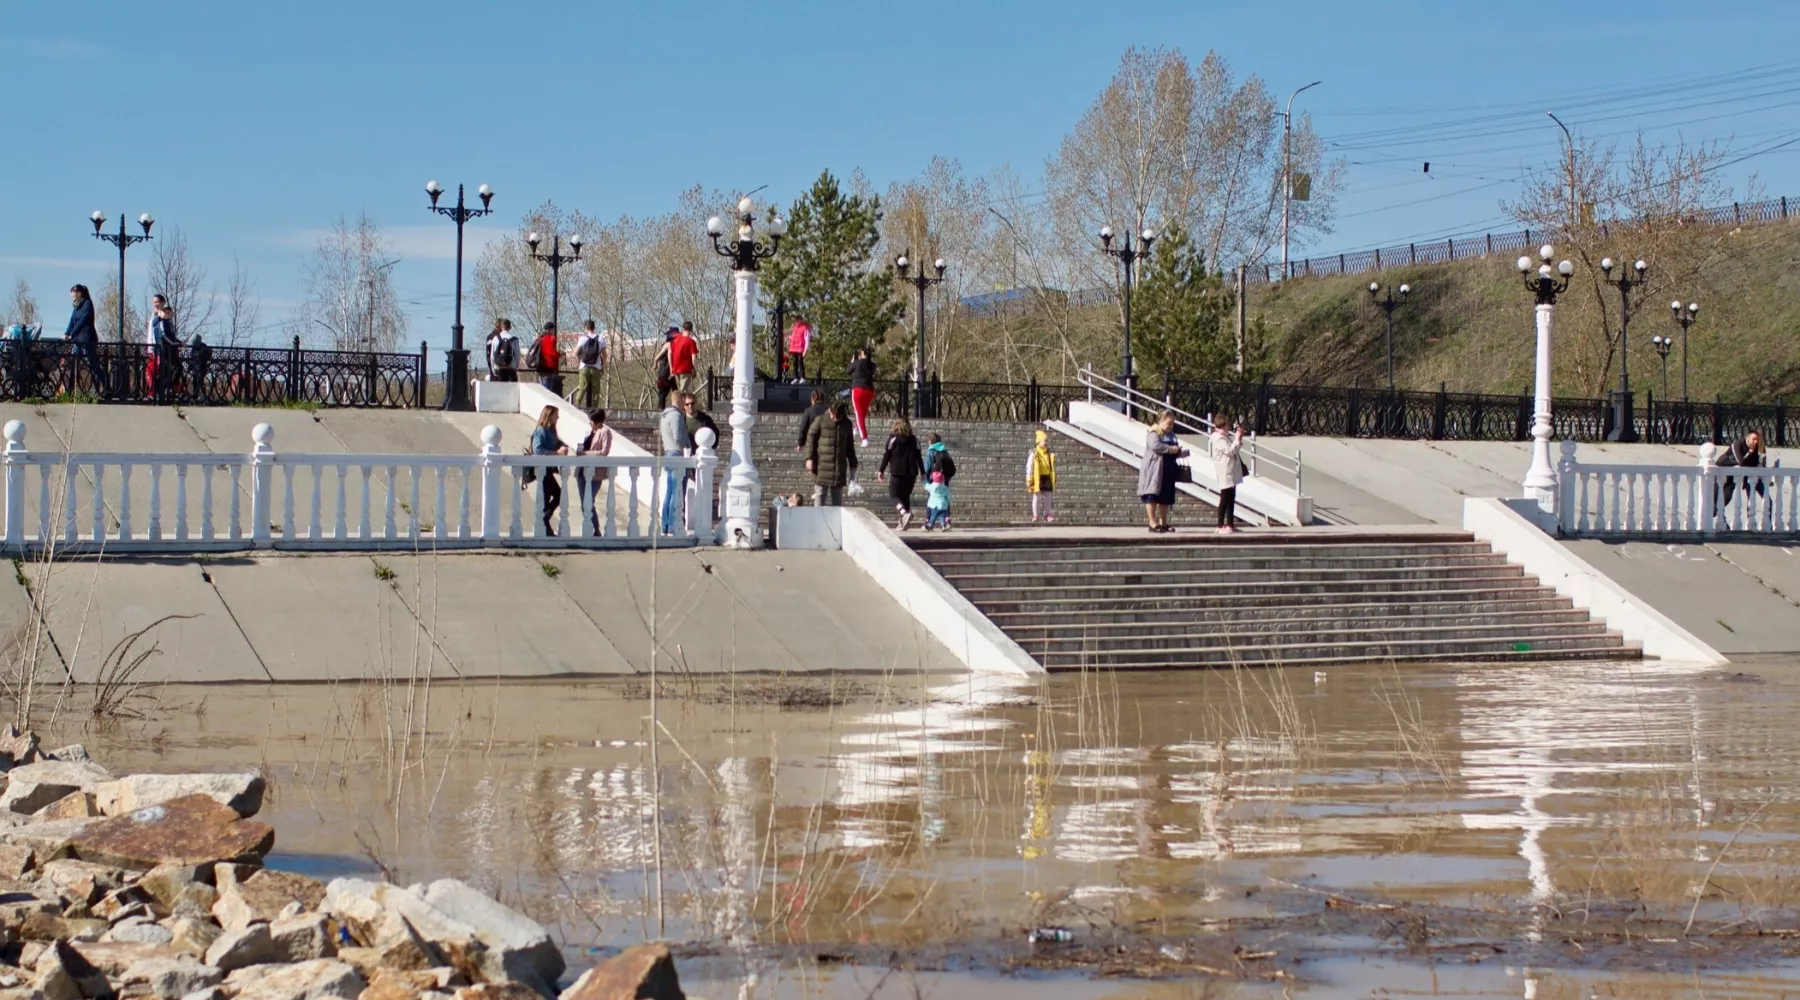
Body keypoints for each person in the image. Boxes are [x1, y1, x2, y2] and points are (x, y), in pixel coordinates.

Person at [1138, 409, 1188, 533]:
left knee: (1165, 498)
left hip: (1168, 470)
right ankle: (1152, 523)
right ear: (1161, 420)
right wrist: (1172, 449)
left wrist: (1180, 452)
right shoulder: (1154, 432)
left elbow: (1172, 449)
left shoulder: (1171, 435)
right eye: (1169, 422)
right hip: (1154, 470)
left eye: (1172, 423)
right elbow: (1156, 446)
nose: (1171, 426)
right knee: (1152, 496)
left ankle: (1163, 523)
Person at [804, 399, 858, 507]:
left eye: (838, 417)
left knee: (837, 501)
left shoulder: (847, 424)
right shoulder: (820, 420)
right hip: (822, 466)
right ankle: (817, 521)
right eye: (834, 416)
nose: (835, 419)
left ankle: (836, 522)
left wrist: (853, 464)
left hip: (839, 468)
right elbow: (810, 438)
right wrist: (809, 458)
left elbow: (850, 447)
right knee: (820, 495)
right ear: (830, 411)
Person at [529, 404, 569, 536]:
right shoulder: (541, 430)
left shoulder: (551, 431)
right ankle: (543, 520)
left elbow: (555, 444)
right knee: (558, 494)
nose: (558, 417)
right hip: (542, 470)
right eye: (556, 414)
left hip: (548, 470)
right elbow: (538, 450)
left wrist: (562, 446)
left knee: (546, 499)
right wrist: (557, 453)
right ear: (549, 415)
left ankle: (545, 528)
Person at [879, 418, 923, 531]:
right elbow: (919, 457)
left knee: (894, 495)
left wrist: (881, 470)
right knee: (905, 496)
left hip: (897, 472)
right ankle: (903, 522)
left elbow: (887, 455)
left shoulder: (893, 439)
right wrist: (923, 472)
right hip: (912, 473)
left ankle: (904, 513)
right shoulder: (914, 440)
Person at [64, 284, 107, 398]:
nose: (71, 295)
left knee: (93, 365)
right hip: (78, 341)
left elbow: (82, 321)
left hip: (87, 340)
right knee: (74, 364)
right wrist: (67, 333)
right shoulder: (76, 306)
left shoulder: (87, 304)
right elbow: (72, 321)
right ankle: (69, 391)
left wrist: (72, 334)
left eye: (73, 292)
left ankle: (105, 387)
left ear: (79, 293)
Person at [657, 390, 691, 534]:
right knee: (676, 491)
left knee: (669, 491)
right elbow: (677, 437)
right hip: (676, 453)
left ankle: (665, 524)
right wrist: (688, 442)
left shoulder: (664, 416)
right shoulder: (676, 416)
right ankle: (671, 524)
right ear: (680, 400)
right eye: (685, 401)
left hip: (667, 453)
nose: (686, 405)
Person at [575, 408, 613, 536]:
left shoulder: (605, 432)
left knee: (588, 500)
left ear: (598, 421)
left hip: (596, 473)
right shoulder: (589, 432)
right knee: (584, 502)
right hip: (582, 470)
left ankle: (595, 529)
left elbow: (604, 452)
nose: (590, 424)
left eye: (592, 422)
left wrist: (586, 453)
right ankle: (592, 527)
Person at [1717, 428, 1768, 511]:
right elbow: (1741, 462)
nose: (1756, 441)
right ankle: (1714, 515)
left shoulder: (1759, 448)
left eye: (1758, 439)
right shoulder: (1737, 444)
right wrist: (1750, 453)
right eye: (1754, 439)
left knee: (1727, 497)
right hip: (1722, 471)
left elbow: (1757, 463)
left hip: (1748, 476)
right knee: (1721, 497)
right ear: (1748, 438)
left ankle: (1720, 518)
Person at [1210, 417, 1246, 534]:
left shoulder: (1224, 437)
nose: (1229, 427)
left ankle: (1230, 524)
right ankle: (1220, 525)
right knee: (1225, 498)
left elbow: (1234, 450)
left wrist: (1239, 438)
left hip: (1231, 471)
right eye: (1227, 425)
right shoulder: (1218, 438)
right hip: (1225, 472)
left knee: (1231, 498)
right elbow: (1230, 452)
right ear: (1222, 425)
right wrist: (1236, 439)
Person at [150, 294, 180, 403]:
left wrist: (179, 342)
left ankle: (161, 391)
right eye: (154, 302)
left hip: (167, 349)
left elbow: (170, 334)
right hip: (162, 349)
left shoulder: (165, 318)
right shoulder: (157, 317)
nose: (155, 304)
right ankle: (161, 390)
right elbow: (160, 333)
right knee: (172, 368)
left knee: (167, 370)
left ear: (163, 303)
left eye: (157, 302)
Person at [1026, 428, 1058, 523]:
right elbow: (1029, 467)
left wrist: (1054, 478)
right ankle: (1035, 515)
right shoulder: (1034, 453)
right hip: (1037, 477)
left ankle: (1047, 514)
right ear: (1038, 441)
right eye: (1045, 440)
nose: (1046, 442)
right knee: (1037, 496)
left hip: (1047, 477)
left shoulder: (1049, 453)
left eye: (1047, 440)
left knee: (1048, 496)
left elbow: (1052, 466)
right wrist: (1029, 479)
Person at [573, 320, 607, 407]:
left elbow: (575, 353)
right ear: (594, 328)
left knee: (582, 387)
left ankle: (577, 404)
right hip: (596, 367)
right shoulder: (600, 339)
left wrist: (581, 358)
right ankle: (594, 408)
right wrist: (603, 367)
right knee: (596, 390)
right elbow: (605, 355)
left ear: (585, 328)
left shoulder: (583, 339)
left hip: (584, 367)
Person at [847, 345, 876, 445]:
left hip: (858, 390)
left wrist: (853, 361)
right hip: (869, 391)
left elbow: (848, 371)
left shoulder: (857, 362)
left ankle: (864, 438)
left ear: (862, 354)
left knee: (859, 414)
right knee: (862, 413)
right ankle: (856, 428)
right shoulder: (872, 365)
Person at [530, 322, 561, 394]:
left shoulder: (539, 338)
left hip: (539, 364)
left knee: (542, 386)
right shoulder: (552, 338)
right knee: (548, 389)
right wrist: (559, 355)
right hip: (548, 365)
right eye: (553, 329)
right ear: (550, 329)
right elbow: (551, 352)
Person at [669, 321, 700, 394]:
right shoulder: (691, 342)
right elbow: (694, 357)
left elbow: (670, 353)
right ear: (691, 329)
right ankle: (677, 404)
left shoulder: (675, 340)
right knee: (682, 392)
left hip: (676, 368)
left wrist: (671, 368)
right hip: (686, 369)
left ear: (683, 329)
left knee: (681, 390)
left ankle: (681, 404)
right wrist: (694, 369)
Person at [796, 389, 828, 454]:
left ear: (812, 399)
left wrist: (800, 443)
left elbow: (803, 428)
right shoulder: (829, 411)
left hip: (812, 443)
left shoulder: (809, 411)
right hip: (826, 442)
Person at [188, 332, 213, 402]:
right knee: (195, 381)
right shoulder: (194, 348)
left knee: (201, 382)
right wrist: (190, 366)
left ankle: (204, 396)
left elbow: (204, 358)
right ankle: (195, 396)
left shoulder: (203, 348)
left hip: (201, 367)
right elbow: (192, 357)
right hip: (195, 367)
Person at [652, 327, 676, 398]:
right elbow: (657, 358)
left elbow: (657, 359)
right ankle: (661, 408)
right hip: (666, 370)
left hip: (668, 371)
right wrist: (656, 365)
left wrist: (656, 365)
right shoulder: (667, 344)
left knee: (675, 391)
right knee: (663, 392)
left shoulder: (670, 344)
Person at [787, 316, 812, 383]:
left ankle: (803, 377)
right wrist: (787, 336)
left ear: (800, 320)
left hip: (800, 348)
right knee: (795, 362)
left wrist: (805, 350)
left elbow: (807, 339)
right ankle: (796, 377)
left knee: (800, 362)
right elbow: (793, 337)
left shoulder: (805, 328)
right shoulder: (795, 327)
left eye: (797, 320)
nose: (796, 322)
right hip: (794, 348)